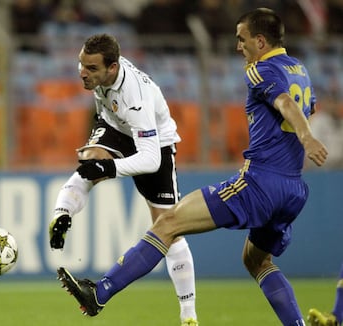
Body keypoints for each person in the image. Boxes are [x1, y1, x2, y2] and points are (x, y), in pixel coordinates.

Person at [56, 8, 329, 325]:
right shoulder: (301, 70)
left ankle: (99, 293)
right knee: (257, 261)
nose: (238, 46)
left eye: (242, 39)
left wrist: (307, 137)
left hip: (260, 183)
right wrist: (303, 136)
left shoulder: (259, 70)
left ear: (260, 40)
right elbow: (303, 105)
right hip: (294, 189)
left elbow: (284, 103)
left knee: (168, 223)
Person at [48, 34, 199, 326]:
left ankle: (188, 314)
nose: (83, 72)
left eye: (91, 68)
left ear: (113, 68)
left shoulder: (135, 98)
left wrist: (109, 168)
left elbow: (151, 159)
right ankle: (61, 214)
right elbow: (106, 110)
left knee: (169, 228)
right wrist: (100, 161)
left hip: (156, 143)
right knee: (89, 162)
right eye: (81, 65)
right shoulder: (102, 79)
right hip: (116, 127)